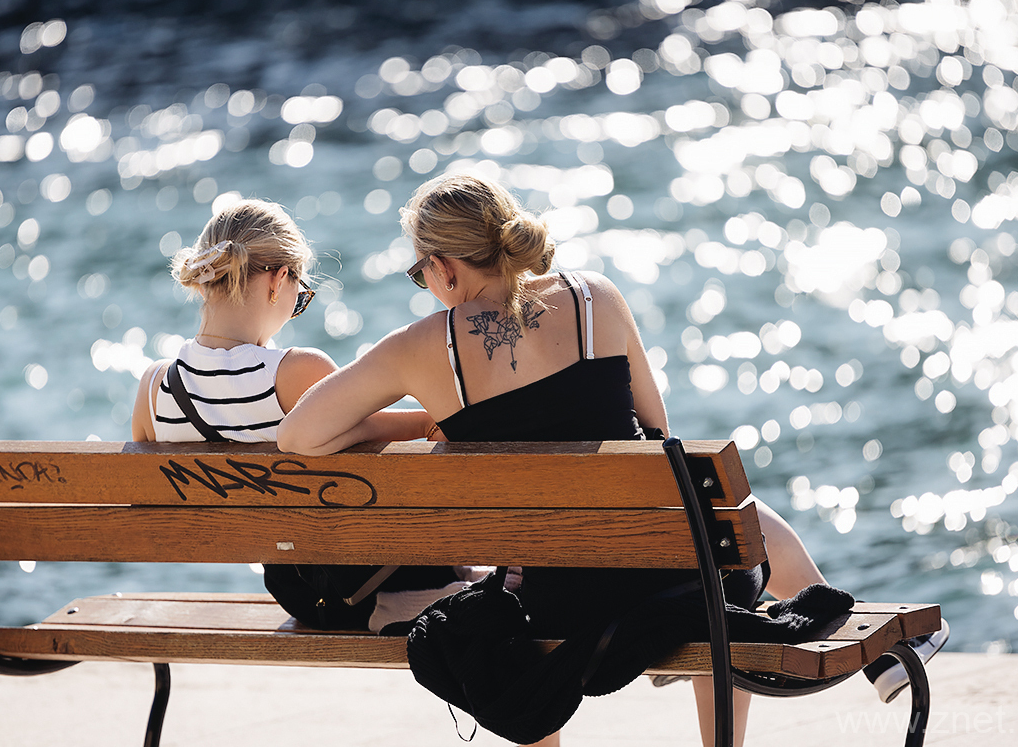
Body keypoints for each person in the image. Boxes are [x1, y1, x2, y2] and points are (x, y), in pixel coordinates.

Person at [277, 173, 842, 747]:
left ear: (443, 266)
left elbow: (299, 436)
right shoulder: (596, 296)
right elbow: (657, 432)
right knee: (727, 529)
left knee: (503, 605)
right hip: (678, 581)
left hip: (560, 610)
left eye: (420, 272)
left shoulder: (419, 347)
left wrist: (423, 422)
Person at [131, 198, 456, 629]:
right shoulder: (295, 372)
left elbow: (145, 495)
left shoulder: (154, 387)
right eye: (299, 296)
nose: (295, 306)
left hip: (296, 592)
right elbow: (376, 435)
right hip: (368, 585)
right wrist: (429, 420)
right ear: (278, 279)